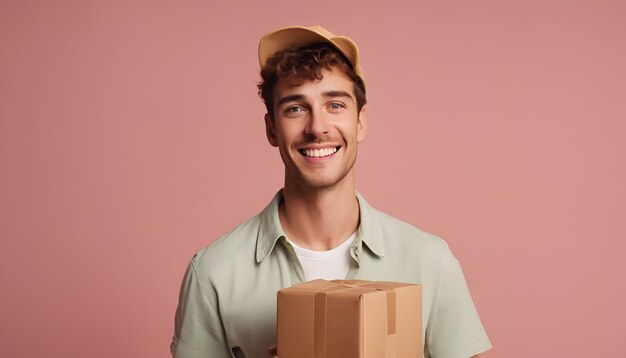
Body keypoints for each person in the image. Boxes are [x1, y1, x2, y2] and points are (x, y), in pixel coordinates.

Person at [171, 25, 492, 358]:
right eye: (295, 108)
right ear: (271, 129)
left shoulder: (430, 262)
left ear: (361, 122)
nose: (317, 127)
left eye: (335, 105)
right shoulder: (213, 272)